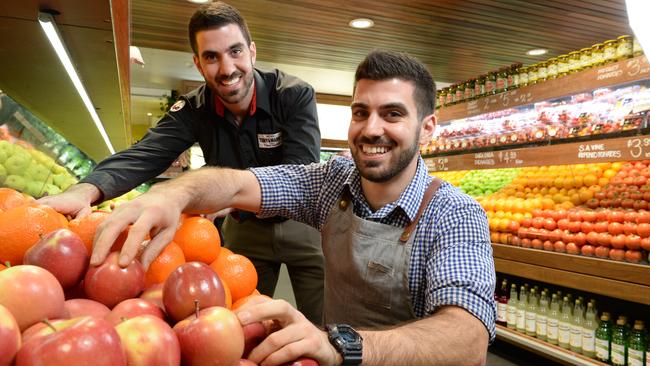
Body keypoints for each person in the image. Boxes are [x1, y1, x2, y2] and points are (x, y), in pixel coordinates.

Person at [92, 50, 496, 366]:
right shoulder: (333, 182)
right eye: (361, 113)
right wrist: (173, 194)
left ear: (428, 127)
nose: (372, 129)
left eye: (392, 114)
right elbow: (239, 183)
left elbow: (466, 341)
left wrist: (341, 344)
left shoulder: (455, 214)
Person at [38, 1, 324, 325]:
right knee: (249, 321)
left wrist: (225, 195)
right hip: (245, 231)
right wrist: (86, 190)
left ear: (252, 51)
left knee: (321, 323)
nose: (227, 67)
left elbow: (300, 170)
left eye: (235, 51)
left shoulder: (293, 94)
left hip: (302, 227)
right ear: (198, 64)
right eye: (211, 57)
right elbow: (145, 154)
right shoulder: (194, 108)